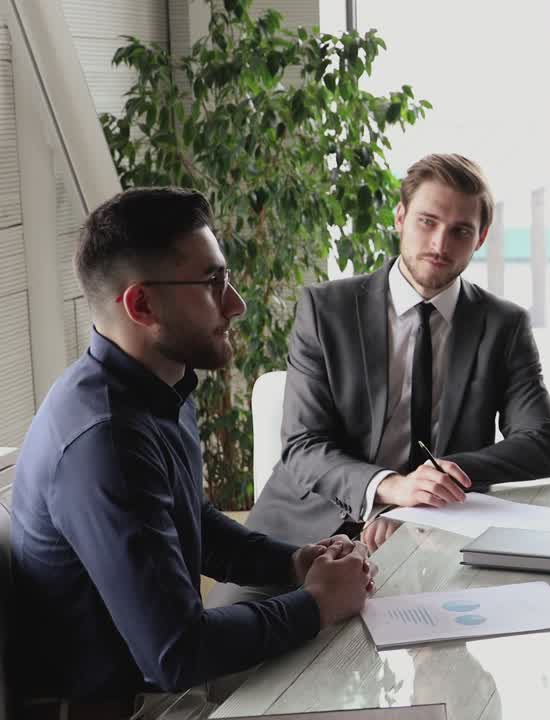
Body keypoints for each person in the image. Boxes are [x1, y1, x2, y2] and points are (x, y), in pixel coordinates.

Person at [9, 188, 374, 715]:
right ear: (142, 305)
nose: (236, 304)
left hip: (167, 684)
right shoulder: (106, 442)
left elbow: (192, 521)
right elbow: (176, 653)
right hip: (134, 706)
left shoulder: (157, 384)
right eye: (212, 283)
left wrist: (295, 562)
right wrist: (316, 603)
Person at [241, 153, 550, 558]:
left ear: (480, 239)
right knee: (223, 617)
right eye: (427, 221)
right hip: (306, 525)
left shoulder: (503, 325)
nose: (439, 244)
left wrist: (435, 478)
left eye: (460, 230)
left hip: (437, 530)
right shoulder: (327, 310)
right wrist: (391, 486)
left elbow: (542, 443)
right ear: (400, 217)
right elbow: (304, 445)